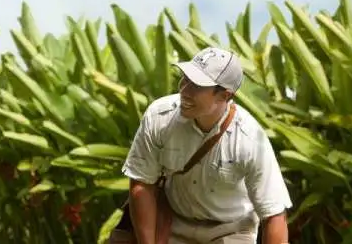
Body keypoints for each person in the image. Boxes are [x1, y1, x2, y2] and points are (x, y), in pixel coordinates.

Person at [112, 47, 292, 244]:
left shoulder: (249, 139)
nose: (184, 90)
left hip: (231, 229)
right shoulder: (160, 117)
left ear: (224, 95)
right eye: (185, 78)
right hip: (173, 220)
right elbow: (142, 184)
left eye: (197, 85)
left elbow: (274, 215)